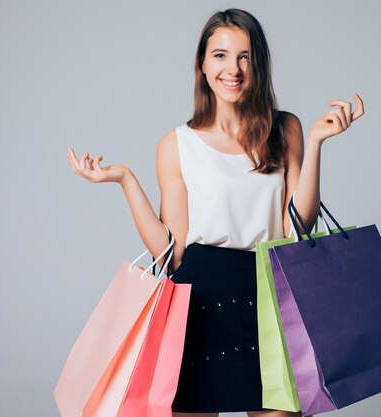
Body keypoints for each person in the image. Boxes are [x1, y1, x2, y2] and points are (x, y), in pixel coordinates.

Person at [66, 8, 364, 417]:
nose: (234, 69)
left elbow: (298, 228)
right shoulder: (176, 145)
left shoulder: (286, 128)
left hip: (270, 293)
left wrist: (315, 143)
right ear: (203, 65)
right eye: (221, 55)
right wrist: (126, 181)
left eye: (244, 56)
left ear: (258, 64)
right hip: (200, 302)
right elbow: (172, 256)